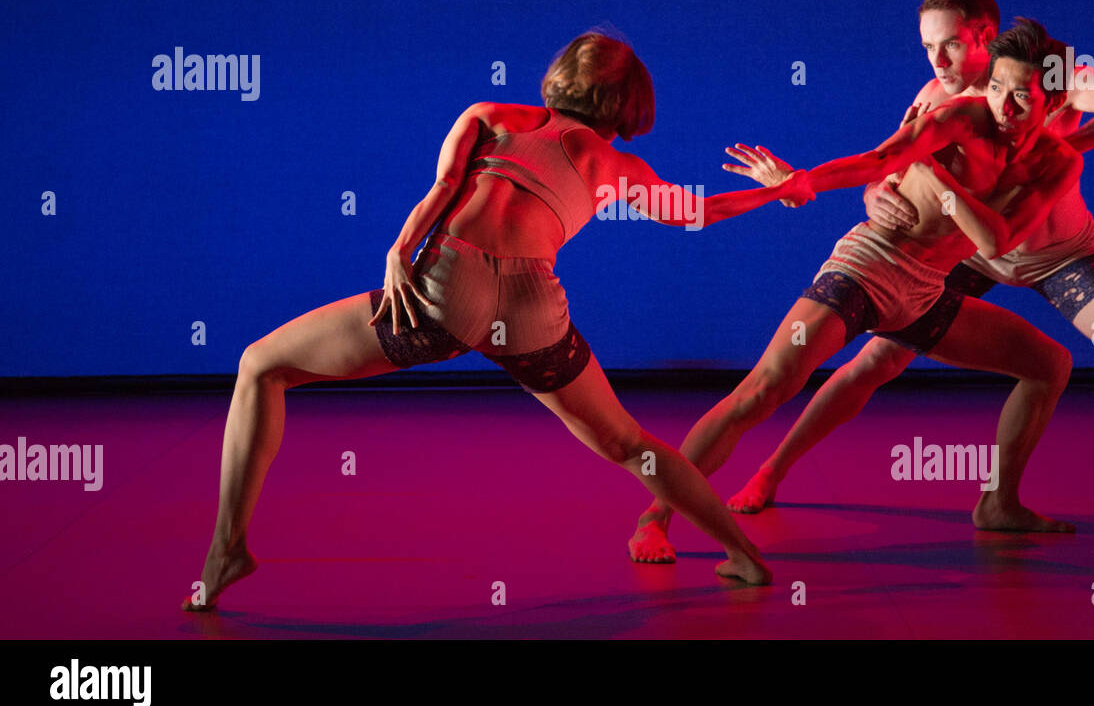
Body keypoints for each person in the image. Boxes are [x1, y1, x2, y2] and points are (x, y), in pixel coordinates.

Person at [183, 30, 818, 610]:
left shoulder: (490, 115)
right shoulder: (614, 166)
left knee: (260, 366)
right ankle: (745, 555)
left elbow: (442, 191)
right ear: (628, 103)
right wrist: (776, 189)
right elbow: (695, 213)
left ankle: (227, 549)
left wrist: (399, 250)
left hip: (446, 293)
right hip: (533, 308)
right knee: (630, 445)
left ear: (562, 74)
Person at [728, 0, 1094, 522]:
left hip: (1059, 254)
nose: (936, 60)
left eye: (947, 44)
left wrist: (1059, 149)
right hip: (973, 252)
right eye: (926, 47)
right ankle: (772, 469)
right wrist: (874, 194)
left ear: (984, 38)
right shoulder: (936, 98)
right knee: (876, 359)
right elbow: (887, 164)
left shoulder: (1045, 79)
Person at [629, 18, 1086, 564]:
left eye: (1020, 97)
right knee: (765, 389)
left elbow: (996, 239)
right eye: (995, 88)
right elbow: (878, 161)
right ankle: (654, 518)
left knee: (1050, 365)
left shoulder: (1058, 161)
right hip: (867, 268)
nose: (1002, 107)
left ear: (1054, 100)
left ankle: (998, 503)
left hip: (926, 291)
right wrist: (803, 180)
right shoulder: (959, 118)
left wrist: (938, 181)